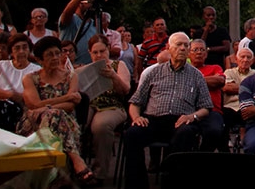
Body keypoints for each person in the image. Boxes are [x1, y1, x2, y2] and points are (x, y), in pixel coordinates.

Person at [125, 33, 213, 189]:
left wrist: (192, 116)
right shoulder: (154, 72)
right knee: (132, 134)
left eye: (186, 45)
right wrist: (136, 117)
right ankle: (137, 185)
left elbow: (206, 107)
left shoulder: (197, 76)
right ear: (169, 48)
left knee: (186, 133)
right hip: (153, 120)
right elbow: (135, 102)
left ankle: (172, 183)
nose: (183, 48)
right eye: (179, 45)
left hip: (181, 121)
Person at [18, 36, 95, 185]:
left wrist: (46, 107)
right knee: (55, 114)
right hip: (35, 122)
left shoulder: (71, 76)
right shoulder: (30, 78)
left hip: (65, 121)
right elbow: (34, 105)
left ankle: (55, 177)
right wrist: (66, 97)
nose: (55, 58)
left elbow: (70, 106)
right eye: (49, 55)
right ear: (39, 59)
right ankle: (77, 160)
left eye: (57, 53)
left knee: (55, 114)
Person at [84, 34, 131, 181]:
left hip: (112, 105)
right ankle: (77, 169)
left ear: (108, 49)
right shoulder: (86, 69)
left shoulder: (118, 65)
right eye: (95, 52)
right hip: (90, 104)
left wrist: (113, 76)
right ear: (89, 53)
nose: (99, 55)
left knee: (101, 126)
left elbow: (126, 90)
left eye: (102, 51)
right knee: (75, 123)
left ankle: (99, 172)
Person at [0, 33, 41, 130]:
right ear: (11, 51)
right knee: (0, 107)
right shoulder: (1, 65)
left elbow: (33, 96)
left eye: (24, 47)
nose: (21, 51)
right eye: (17, 48)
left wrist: (14, 98)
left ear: (29, 50)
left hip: (16, 108)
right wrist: (10, 95)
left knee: (4, 107)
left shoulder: (36, 70)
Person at [189, 38, 228, 151]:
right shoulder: (185, 70)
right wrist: (208, 81)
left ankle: (202, 155)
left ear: (206, 54)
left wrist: (192, 81)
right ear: (188, 53)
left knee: (214, 131)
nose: (199, 52)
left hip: (212, 111)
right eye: (195, 49)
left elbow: (219, 81)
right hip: (188, 111)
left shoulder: (215, 68)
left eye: (202, 50)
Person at [58, 0, 99, 65]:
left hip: (88, 67)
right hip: (69, 65)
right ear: (80, 3)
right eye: (88, 1)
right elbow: (66, 13)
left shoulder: (95, 24)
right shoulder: (72, 20)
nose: (91, 4)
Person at [223, 47, 255, 135]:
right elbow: (227, 88)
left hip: (249, 106)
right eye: (242, 57)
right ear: (236, 60)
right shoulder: (229, 72)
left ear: (252, 61)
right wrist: (249, 88)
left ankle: (244, 139)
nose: (245, 60)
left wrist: (236, 87)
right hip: (230, 106)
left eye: (248, 57)